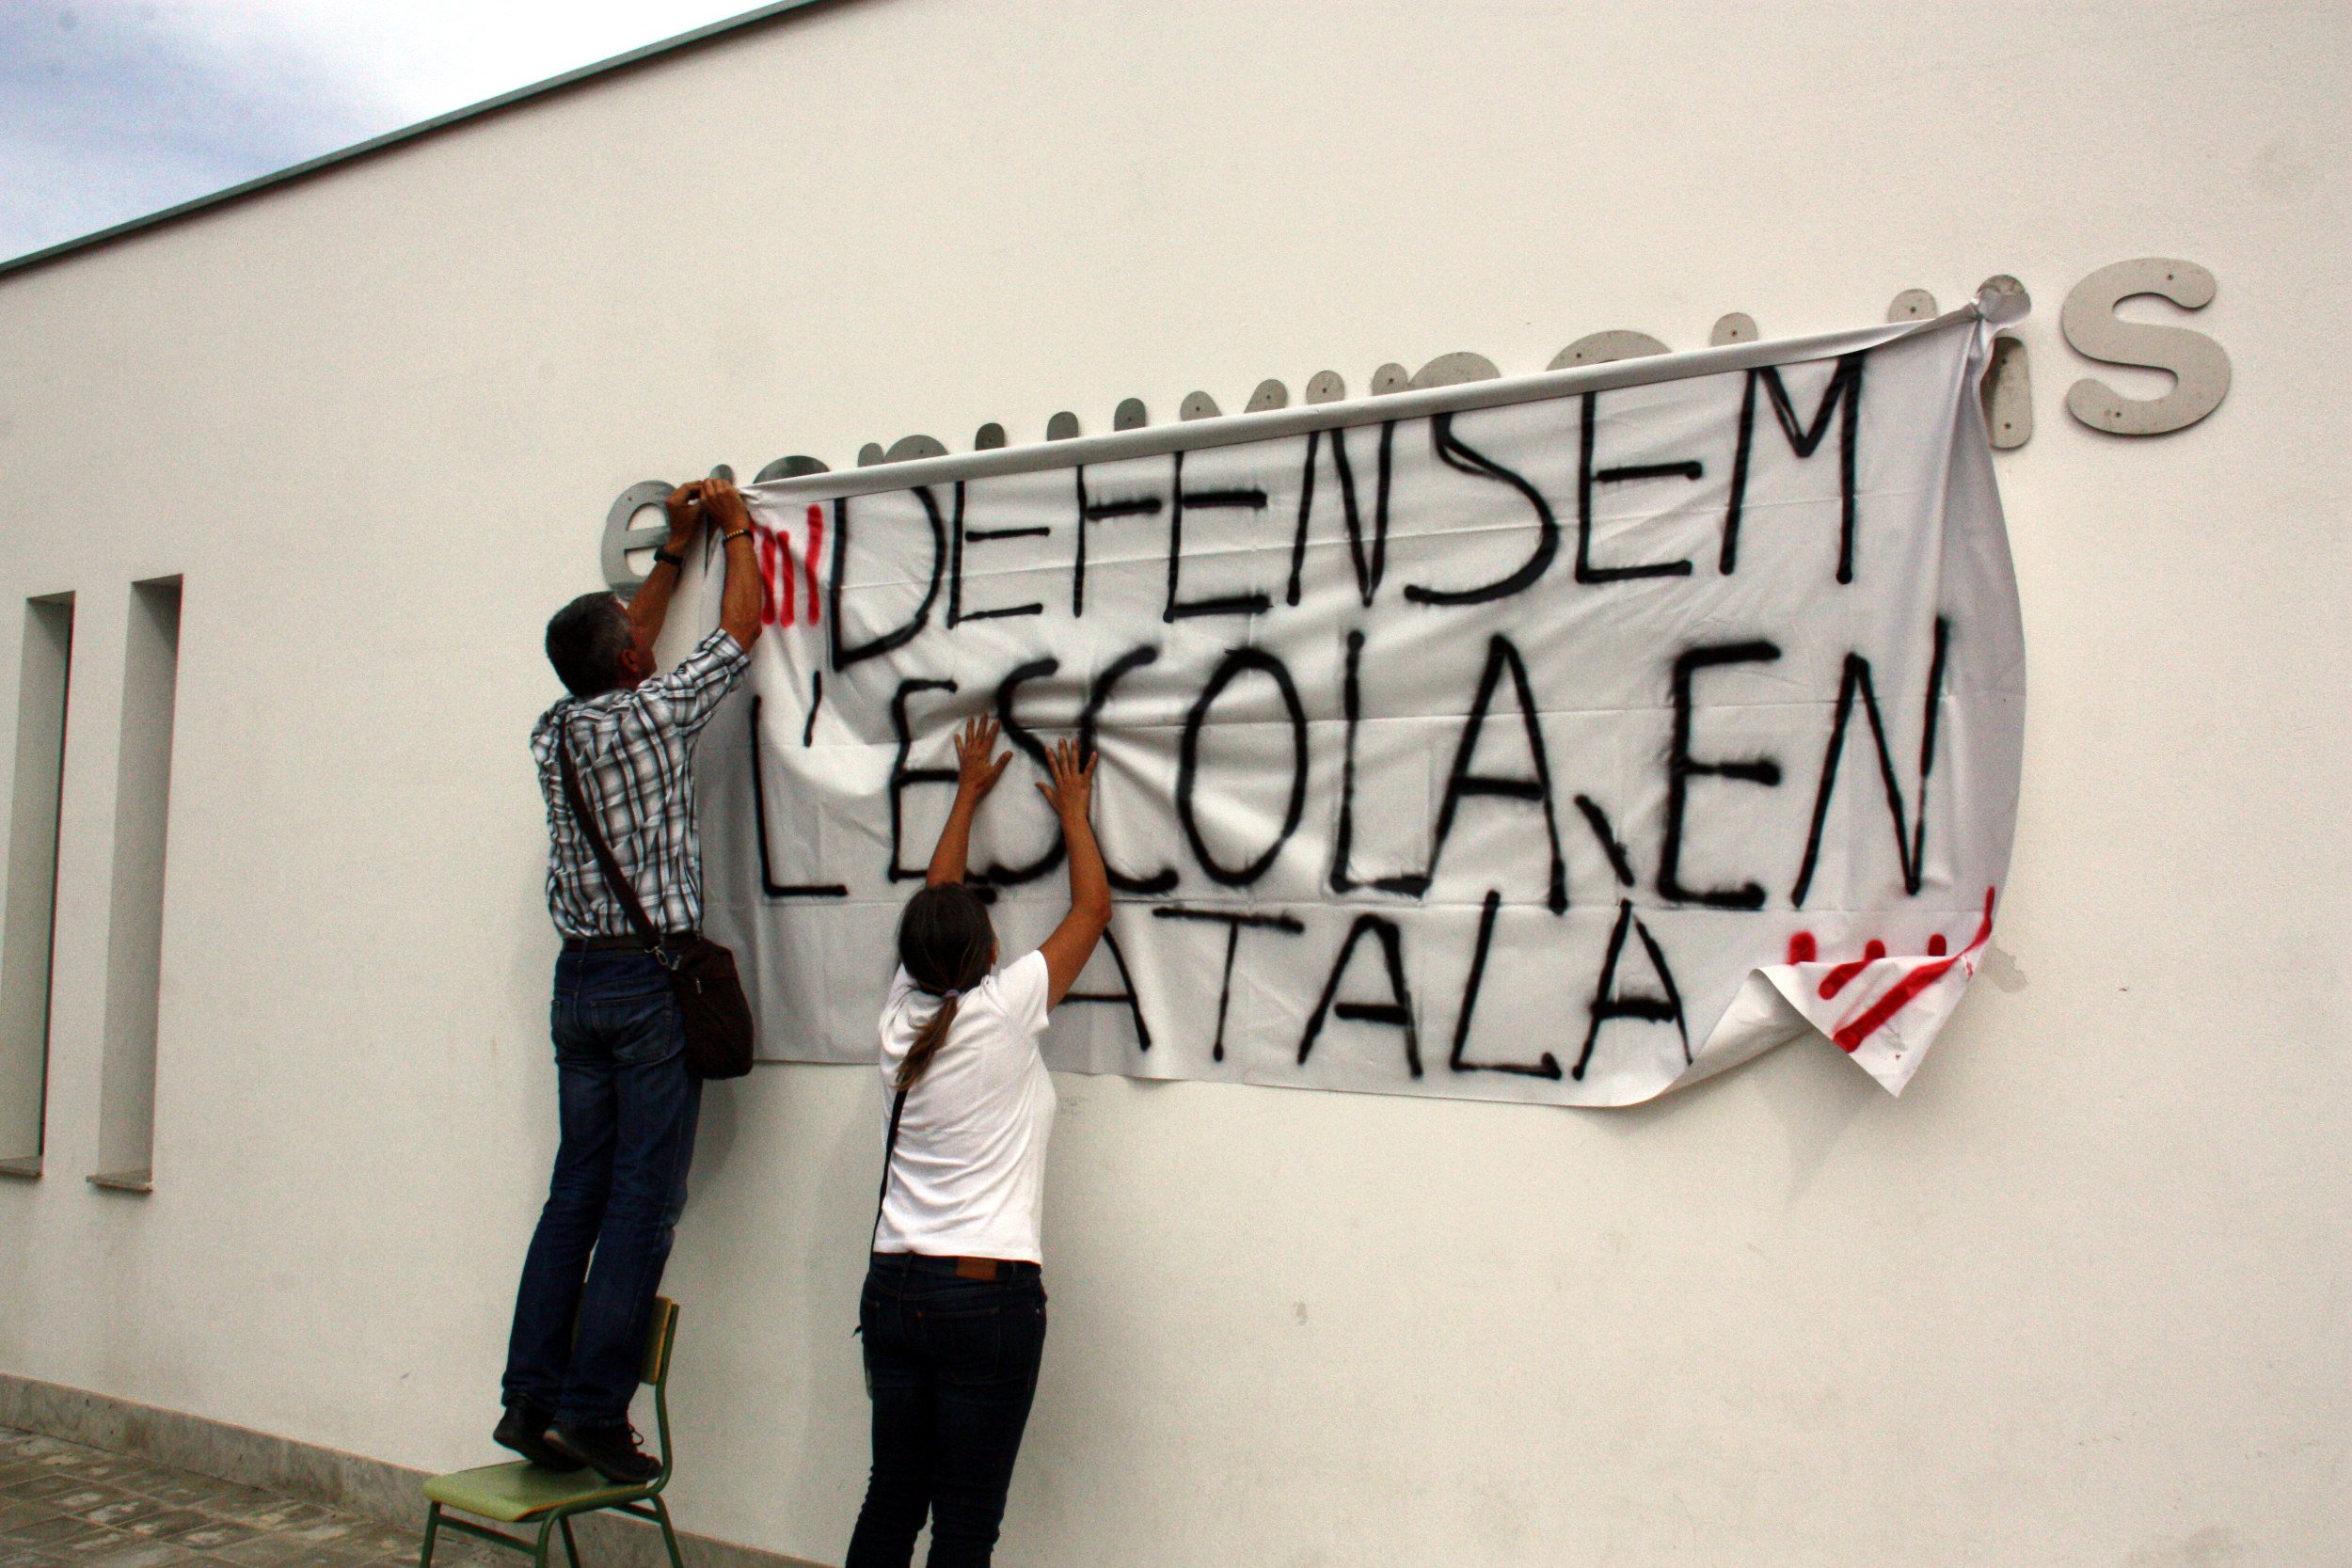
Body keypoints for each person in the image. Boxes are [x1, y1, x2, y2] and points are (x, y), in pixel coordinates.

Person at [495, 475, 764, 1483]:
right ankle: (594, 1411)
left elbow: (611, 645)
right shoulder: (653, 715)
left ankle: (530, 1394)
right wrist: (734, 529)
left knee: (576, 1194)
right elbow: (743, 628)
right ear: (634, 660)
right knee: (643, 1202)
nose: (643, 632)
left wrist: (666, 553)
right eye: (635, 632)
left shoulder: (555, 729)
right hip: (650, 992)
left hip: (581, 987)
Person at [844, 719, 1111, 1568]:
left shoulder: (900, 1016)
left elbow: (937, 898)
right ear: (991, 952)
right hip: (982, 1298)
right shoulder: (1002, 1011)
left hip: (895, 1286)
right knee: (965, 1520)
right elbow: (1091, 910)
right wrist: (1074, 809)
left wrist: (964, 793)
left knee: (893, 1498)